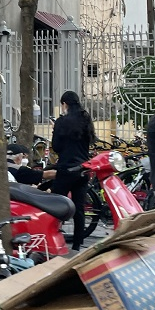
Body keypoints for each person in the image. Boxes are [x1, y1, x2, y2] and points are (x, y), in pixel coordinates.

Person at [50, 91, 96, 251]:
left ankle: (53, 237)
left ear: (64, 104)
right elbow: (90, 140)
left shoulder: (61, 122)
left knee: (55, 205)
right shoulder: (86, 119)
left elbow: (56, 146)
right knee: (79, 208)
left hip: (65, 168)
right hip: (83, 169)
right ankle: (77, 244)